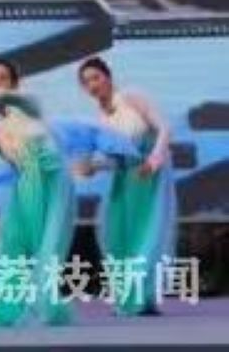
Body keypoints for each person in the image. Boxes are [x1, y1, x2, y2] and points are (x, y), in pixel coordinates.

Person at [0, 59, 74, 327]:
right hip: (24, 185)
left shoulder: (29, 105)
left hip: (50, 182)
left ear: (14, 83)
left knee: (42, 244)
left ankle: (40, 306)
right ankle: (12, 304)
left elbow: (9, 97)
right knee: (14, 244)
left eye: (2, 77)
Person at [74, 56, 175, 316]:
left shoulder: (131, 96)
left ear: (108, 77)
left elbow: (164, 128)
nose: (93, 84)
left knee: (147, 233)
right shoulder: (101, 121)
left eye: (96, 77)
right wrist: (92, 167)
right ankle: (135, 296)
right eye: (87, 82)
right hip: (125, 177)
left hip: (148, 174)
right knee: (119, 236)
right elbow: (116, 160)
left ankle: (139, 298)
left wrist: (154, 160)